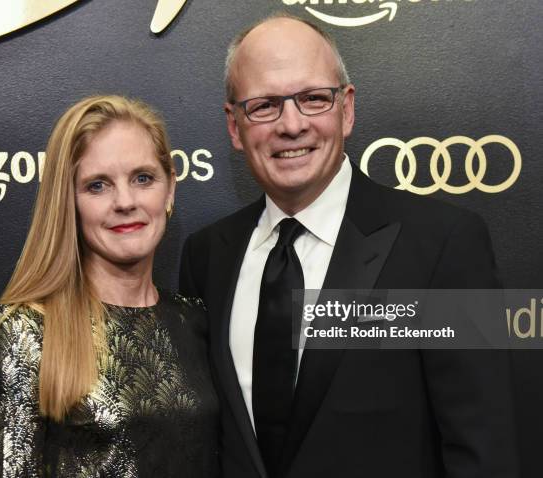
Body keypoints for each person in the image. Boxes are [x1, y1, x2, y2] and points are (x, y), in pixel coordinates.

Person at [179, 14, 519, 478]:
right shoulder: (207, 257)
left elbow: (485, 449)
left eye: (313, 99)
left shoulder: (444, 245)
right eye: (264, 106)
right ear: (235, 126)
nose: (291, 124)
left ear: (347, 109)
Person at [0, 95, 219, 477]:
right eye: (97, 185)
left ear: (169, 188)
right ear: (68, 201)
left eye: (143, 178)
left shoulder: (193, 318)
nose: (125, 201)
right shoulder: (25, 331)